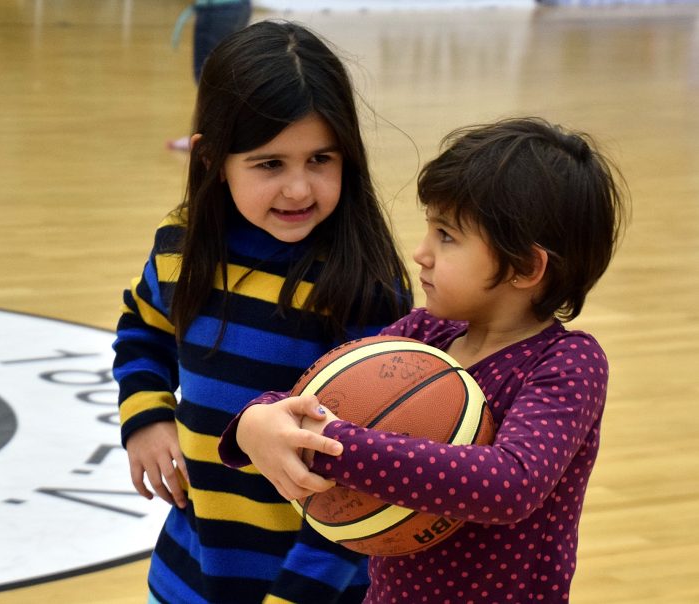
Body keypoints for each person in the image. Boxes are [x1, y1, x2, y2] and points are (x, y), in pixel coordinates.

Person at [220, 117, 628, 603]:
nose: (421, 253)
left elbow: (510, 484)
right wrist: (258, 418)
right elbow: (312, 403)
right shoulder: (421, 333)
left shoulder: (567, 362)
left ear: (524, 266)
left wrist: (334, 444)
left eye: (447, 236)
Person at [113, 20, 413, 604]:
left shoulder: (364, 288)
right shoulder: (180, 246)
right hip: (185, 577)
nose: (299, 189)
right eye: (269, 164)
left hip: (306, 587)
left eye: (320, 159)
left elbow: (363, 485)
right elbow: (143, 331)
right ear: (210, 160)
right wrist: (145, 416)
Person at [167, 0, 252, 151]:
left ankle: (211, 138)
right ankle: (217, 136)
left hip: (218, 10)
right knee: (226, 74)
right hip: (236, 7)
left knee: (211, 78)